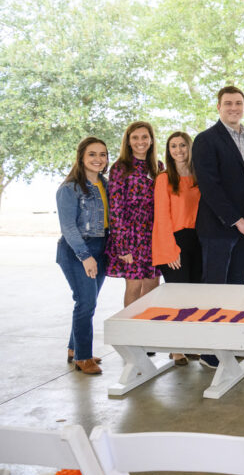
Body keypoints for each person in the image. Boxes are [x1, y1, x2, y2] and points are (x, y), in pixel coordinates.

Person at [192, 86, 244, 288]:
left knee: (238, 287)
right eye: (228, 103)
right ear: (218, 107)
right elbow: (209, 187)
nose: (234, 108)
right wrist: (237, 221)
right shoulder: (206, 139)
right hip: (217, 229)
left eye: (238, 103)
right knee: (215, 290)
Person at [56, 137, 110, 375]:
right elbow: (68, 227)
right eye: (92, 154)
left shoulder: (106, 184)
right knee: (85, 302)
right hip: (77, 250)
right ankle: (83, 357)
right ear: (81, 157)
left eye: (103, 154)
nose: (98, 159)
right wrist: (85, 256)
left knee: (89, 302)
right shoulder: (69, 189)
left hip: (102, 248)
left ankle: (74, 348)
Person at [152, 132, 202, 366]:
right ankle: (176, 348)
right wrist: (171, 250)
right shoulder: (164, 178)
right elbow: (161, 216)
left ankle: (190, 344)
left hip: (198, 241)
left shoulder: (198, 176)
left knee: (193, 298)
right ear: (168, 150)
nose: (178, 150)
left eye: (182, 145)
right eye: (173, 146)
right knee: (177, 298)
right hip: (174, 242)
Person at [106, 121, 163, 308]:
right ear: (128, 142)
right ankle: (129, 331)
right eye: (135, 137)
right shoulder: (120, 168)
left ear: (151, 140)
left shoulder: (158, 166)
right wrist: (122, 246)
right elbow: (115, 209)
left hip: (152, 234)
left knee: (153, 285)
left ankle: (148, 331)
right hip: (130, 235)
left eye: (145, 137)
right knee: (134, 285)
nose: (140, 141)